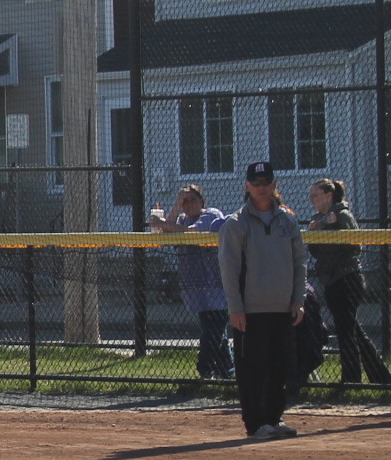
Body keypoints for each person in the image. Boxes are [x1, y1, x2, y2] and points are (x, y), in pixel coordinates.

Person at [218, 161, 309, 440]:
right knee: (253, 369)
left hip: (282, 307)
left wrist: (298, 299)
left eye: (266, 183)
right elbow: (229, 269)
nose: (261, 188)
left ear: (274, 185)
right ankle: (256, 423)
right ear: (247, 186)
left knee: (278, 366)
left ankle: (274, 418)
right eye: (256, 183)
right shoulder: (236, 224)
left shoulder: (288, 220)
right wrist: (236, 308)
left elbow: (299, 262)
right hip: (250, 310)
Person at [305, 177, 390, 387]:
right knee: (351, 330)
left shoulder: (342, 215)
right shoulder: (318, 219)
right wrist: (316, 231)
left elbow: (356, 246)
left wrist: (332, 229)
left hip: (348, 278)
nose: (312, 199)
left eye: (315, 195)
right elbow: (314, 251)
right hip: (330, 279)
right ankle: (380, 376)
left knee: (346, 331)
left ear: (328, 195)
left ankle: (351, 379)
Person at [148, 186, 232, 379]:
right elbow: (163, 235)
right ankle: (227, 370)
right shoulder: (182, 219)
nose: (189, 205)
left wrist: (164, 223)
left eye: (193, 200)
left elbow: (192, 234)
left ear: (202, 201)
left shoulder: (211, 214)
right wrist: (176, 204)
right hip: (195, 284)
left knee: (214, 329)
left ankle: (205, 368)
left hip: (216, 283)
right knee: (212, 329)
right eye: (185, 201)